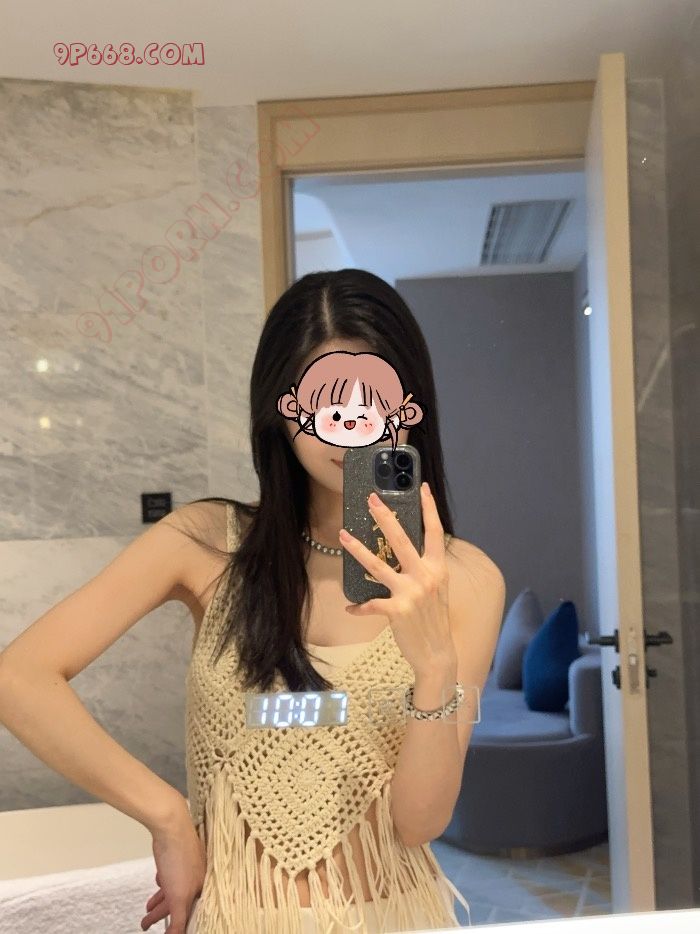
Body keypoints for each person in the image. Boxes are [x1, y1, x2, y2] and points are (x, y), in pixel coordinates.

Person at [0, 269, 505, 933]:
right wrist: (166, 816)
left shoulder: (466, 579)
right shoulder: (206, 542)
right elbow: (19, 677)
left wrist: (434, 666)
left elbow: (419, 823)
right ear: (282, 409)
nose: (350, 430)